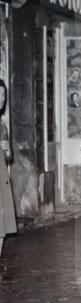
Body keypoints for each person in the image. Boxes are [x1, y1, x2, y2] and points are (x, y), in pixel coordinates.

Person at [0, 80, 16, 280]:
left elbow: (9, 156)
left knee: (2, 228)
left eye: (3, 95)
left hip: (1, 177)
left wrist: (7, 149)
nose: (1, 98)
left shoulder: (2, 124)